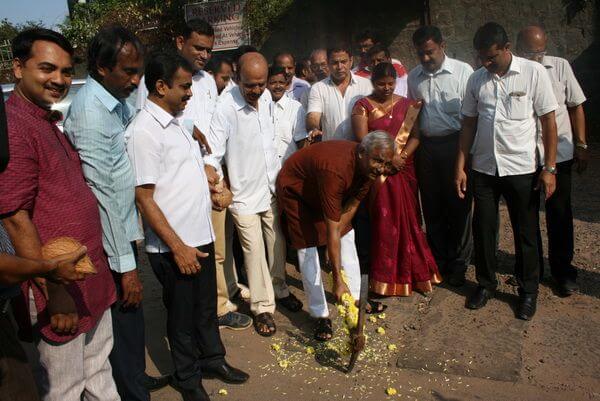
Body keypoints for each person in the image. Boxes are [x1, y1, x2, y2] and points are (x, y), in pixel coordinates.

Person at [0, 28, 119, 401]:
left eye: (67, 72)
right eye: (47, 68)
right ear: (18, 68)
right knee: (65, 388)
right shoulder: (16, 127)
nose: (60, 80)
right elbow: (16, 217)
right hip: (59, 288)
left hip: (85, 278)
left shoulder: (43, 120)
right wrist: (54, 291)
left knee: (98, 372)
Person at [127, 51, 249, 401]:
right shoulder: (144, 132)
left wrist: (209, 181)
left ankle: (212, 358)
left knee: (206, 308)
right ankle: (187, 377)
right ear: (161, 86)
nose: (190, 93)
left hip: (201, 235)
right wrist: (177, 247)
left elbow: (186, 171)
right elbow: (144, 198)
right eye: (184, 87)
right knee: (181, 320)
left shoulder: (177, 120)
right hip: (174, 246)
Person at [63, 26, 170, 400]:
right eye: (128, 72)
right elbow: (103, 193)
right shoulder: (92, 112)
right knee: (124, 316)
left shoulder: (115, 100)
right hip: (112, 240)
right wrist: (125, 267)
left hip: (125, 230)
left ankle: (134, 377)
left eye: (138, 71)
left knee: (131, 320)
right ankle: (131, 389)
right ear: (101, 67)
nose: (136, 80)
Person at [137, 18, 251, 331]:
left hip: (212, 172)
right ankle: (214, 311)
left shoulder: (205, 81)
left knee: (220, 245)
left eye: (208, 49)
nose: (203, 54)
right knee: (198, 254)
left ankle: (220, 301)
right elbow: (151, 119)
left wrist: (218, 169)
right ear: (179, 42)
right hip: (183, 181)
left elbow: (215, 125)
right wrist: (190, 128)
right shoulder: (160, 77)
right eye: (198, 47)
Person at [455, 22, 558, 320]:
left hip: (521, 168)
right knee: (483, 228)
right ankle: (486, 284)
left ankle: (528, 291)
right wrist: (460, 166)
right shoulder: (477, 80)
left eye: (491, 57)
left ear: (507, 48)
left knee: (525, 231)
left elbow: (548, 121)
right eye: (481, 58)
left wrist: (549, 168)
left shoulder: (532, 73)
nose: (486, 63)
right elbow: (469, 124)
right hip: (485, 168)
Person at [205, 52, 301, 337]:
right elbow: (212, 153)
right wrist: (219, 181)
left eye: (261, 84)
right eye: (251, 85)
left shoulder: (267, 99)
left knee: (277, 243)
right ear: (237, 77)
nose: (257, 91)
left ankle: (280, 289)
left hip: (269, 187)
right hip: (244, 196)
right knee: (254, 250)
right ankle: (262, 307)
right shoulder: (225, 107)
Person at [276, 132, 394, 340]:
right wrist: (337, 278)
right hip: (297, 191)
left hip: (322, 188)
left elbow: (352, 206)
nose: (381, 168)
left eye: (385, 163)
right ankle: (320, 315)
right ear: (362, 153)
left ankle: (356, 299)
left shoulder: (371, 169)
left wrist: (336, 244)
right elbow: (331, 228)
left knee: (347, 235)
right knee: (308, 247)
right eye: (377, 161)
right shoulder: (335, 170)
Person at [351, 63, 440, 296]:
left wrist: (401, 157)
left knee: (409, 221)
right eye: (381, 83)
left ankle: (413, 273)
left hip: (404, 169)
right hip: (378, 172)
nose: (387, 88)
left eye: (391, 83)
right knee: (384, 223)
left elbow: (415, 136)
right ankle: (385, 278)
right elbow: (364, 142)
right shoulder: (363, 107)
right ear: (373, 82)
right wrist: (389, 162)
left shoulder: (408, 105)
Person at [516, 26, 588, 296]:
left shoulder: (559, 67)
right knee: (527, 216)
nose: (536, 59)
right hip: (526, 156)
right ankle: (530, 272)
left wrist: (581, 144)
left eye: (540, 52)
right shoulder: (515, 71)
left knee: (559, 213)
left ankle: (563, 271)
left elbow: (576, 105)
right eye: (530, 53)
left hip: (559, 156)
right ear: (517, 47)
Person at [407, 26, 474, 287]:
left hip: (456, 145)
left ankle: (459, 263)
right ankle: (438, 260)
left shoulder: (462, 72)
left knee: (458, 204)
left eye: (430, 52)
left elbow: (471, 117)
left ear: (442, 46)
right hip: (427, 148)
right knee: (432, 206)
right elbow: (413, 118)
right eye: (420, 54)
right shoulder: (414, 78)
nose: (425, 59)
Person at [306, 44, 372, 141]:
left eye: (343, 62)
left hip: (360, 149)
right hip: (332, 150)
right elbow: (313, 115)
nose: (339, 67)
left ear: (351, 61)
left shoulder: (367, 85)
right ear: (328, 63)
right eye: (335, 63)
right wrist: (314, 129)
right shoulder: (318, 88)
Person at [267, 65, 308, 161]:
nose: (277, 86)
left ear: (286, 84)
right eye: (273, 83)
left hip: (288, 168)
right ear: (266, 84)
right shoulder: (260, 107)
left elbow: (302, 142)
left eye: (281, 82)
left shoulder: (296, 108)